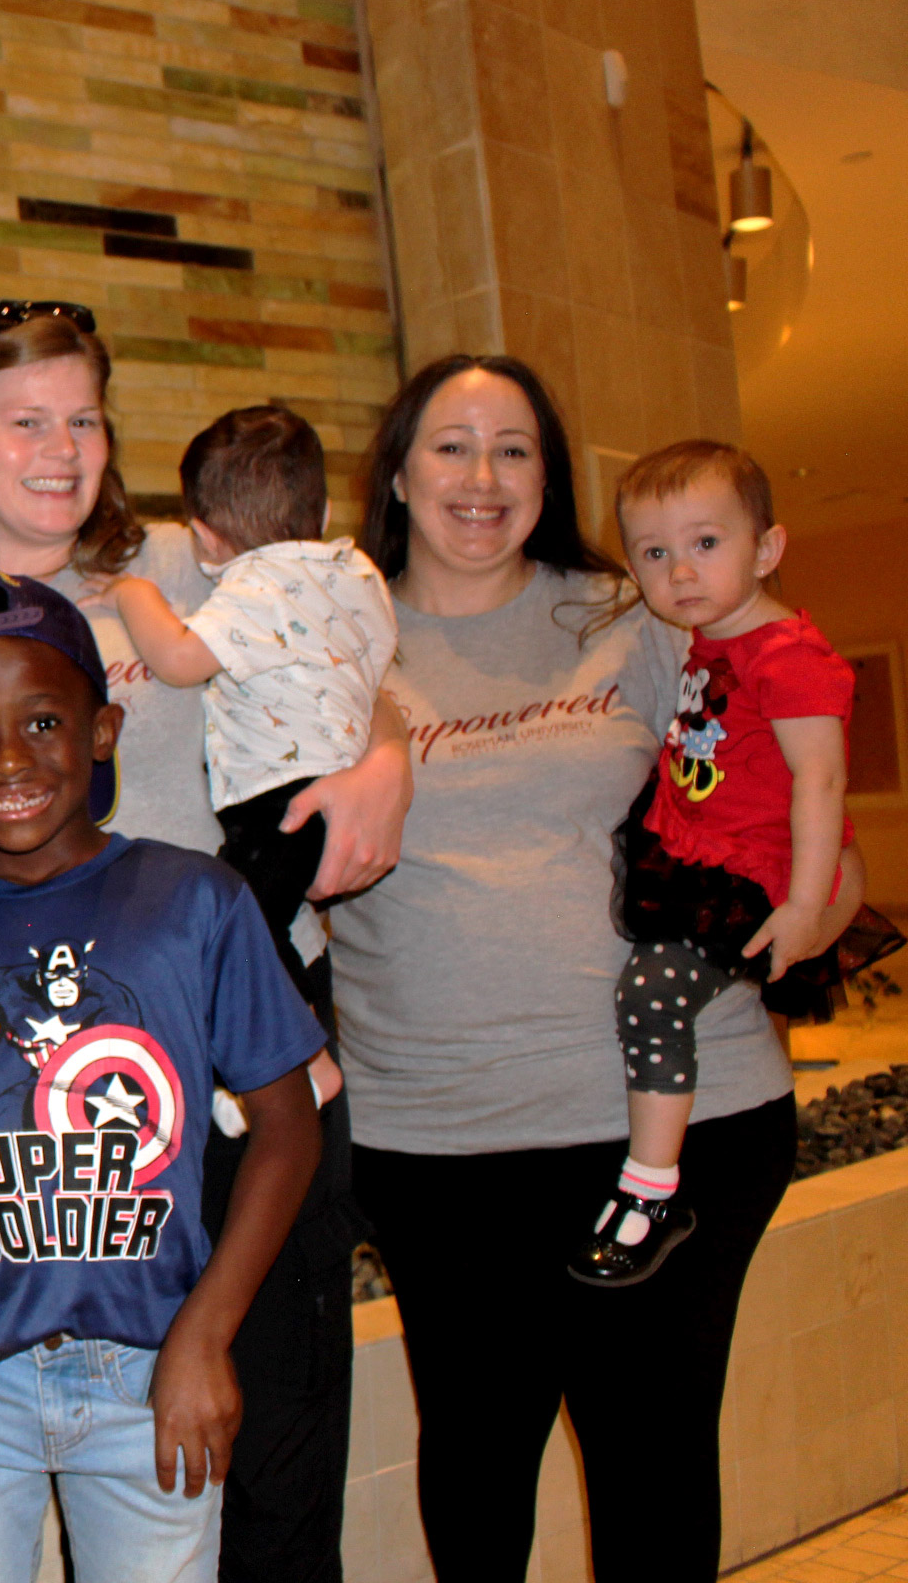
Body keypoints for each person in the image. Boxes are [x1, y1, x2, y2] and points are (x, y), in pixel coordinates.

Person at [330, 356, 868, 1580]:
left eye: (515, 448)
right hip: (438, 1141)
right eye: (453, 445)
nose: (483, 477)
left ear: (550, 476)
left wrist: (816, 912)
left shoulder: (631, 616)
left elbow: (796, 787)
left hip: (673, 1123)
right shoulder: (337, 642)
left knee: (653, 1471)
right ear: (400, 472)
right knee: (475, 1470)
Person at [0, 306, 409, 1583]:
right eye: (27, 422)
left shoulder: (189, 562)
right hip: (51, 1122)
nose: (63, 451)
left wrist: (388, 759)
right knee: (106, 1493)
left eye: (85, 417)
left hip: (257, 1079)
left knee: (276, 1465)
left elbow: (366, 661)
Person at [0, 569, 325, 1583]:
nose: (7, 758)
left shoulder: (196, 904)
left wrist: (205, 1335)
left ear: (104, 729)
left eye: (43, 721)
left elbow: (289, 1126)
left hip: (151, 1374)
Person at [578, 440, 900, 1284]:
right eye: (655, 552)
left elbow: (823, 781)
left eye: (706, 543)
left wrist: (802, 904)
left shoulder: (787, 655)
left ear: (767, 549)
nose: (680, 570)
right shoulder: (712, 638)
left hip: (754, 877)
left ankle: (651, 1189)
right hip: (700, 849)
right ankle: (651, 1178)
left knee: (649, 997)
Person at [100, 407, 398, 1030]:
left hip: (278, 803)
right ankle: (298, 1052)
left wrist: (135, 595)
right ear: (320, 515)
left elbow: (181, 660)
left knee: (237, 926)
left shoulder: (254, 585)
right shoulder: (357, 572)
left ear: (205, 536)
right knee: (259, 922)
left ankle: (299, 1058)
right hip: (338, 794)